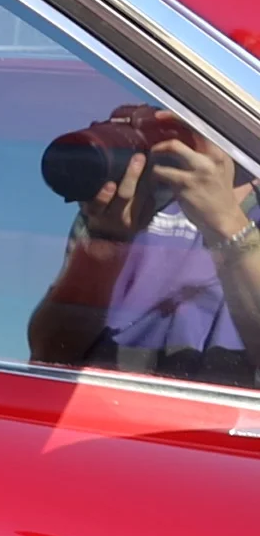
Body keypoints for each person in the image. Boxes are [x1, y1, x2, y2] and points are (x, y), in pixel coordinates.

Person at [28, 109, 260, 386]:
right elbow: (50, 353)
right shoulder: (129, 202)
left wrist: (226, 223)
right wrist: (106, 240)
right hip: (102, 411)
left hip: (218, 420)